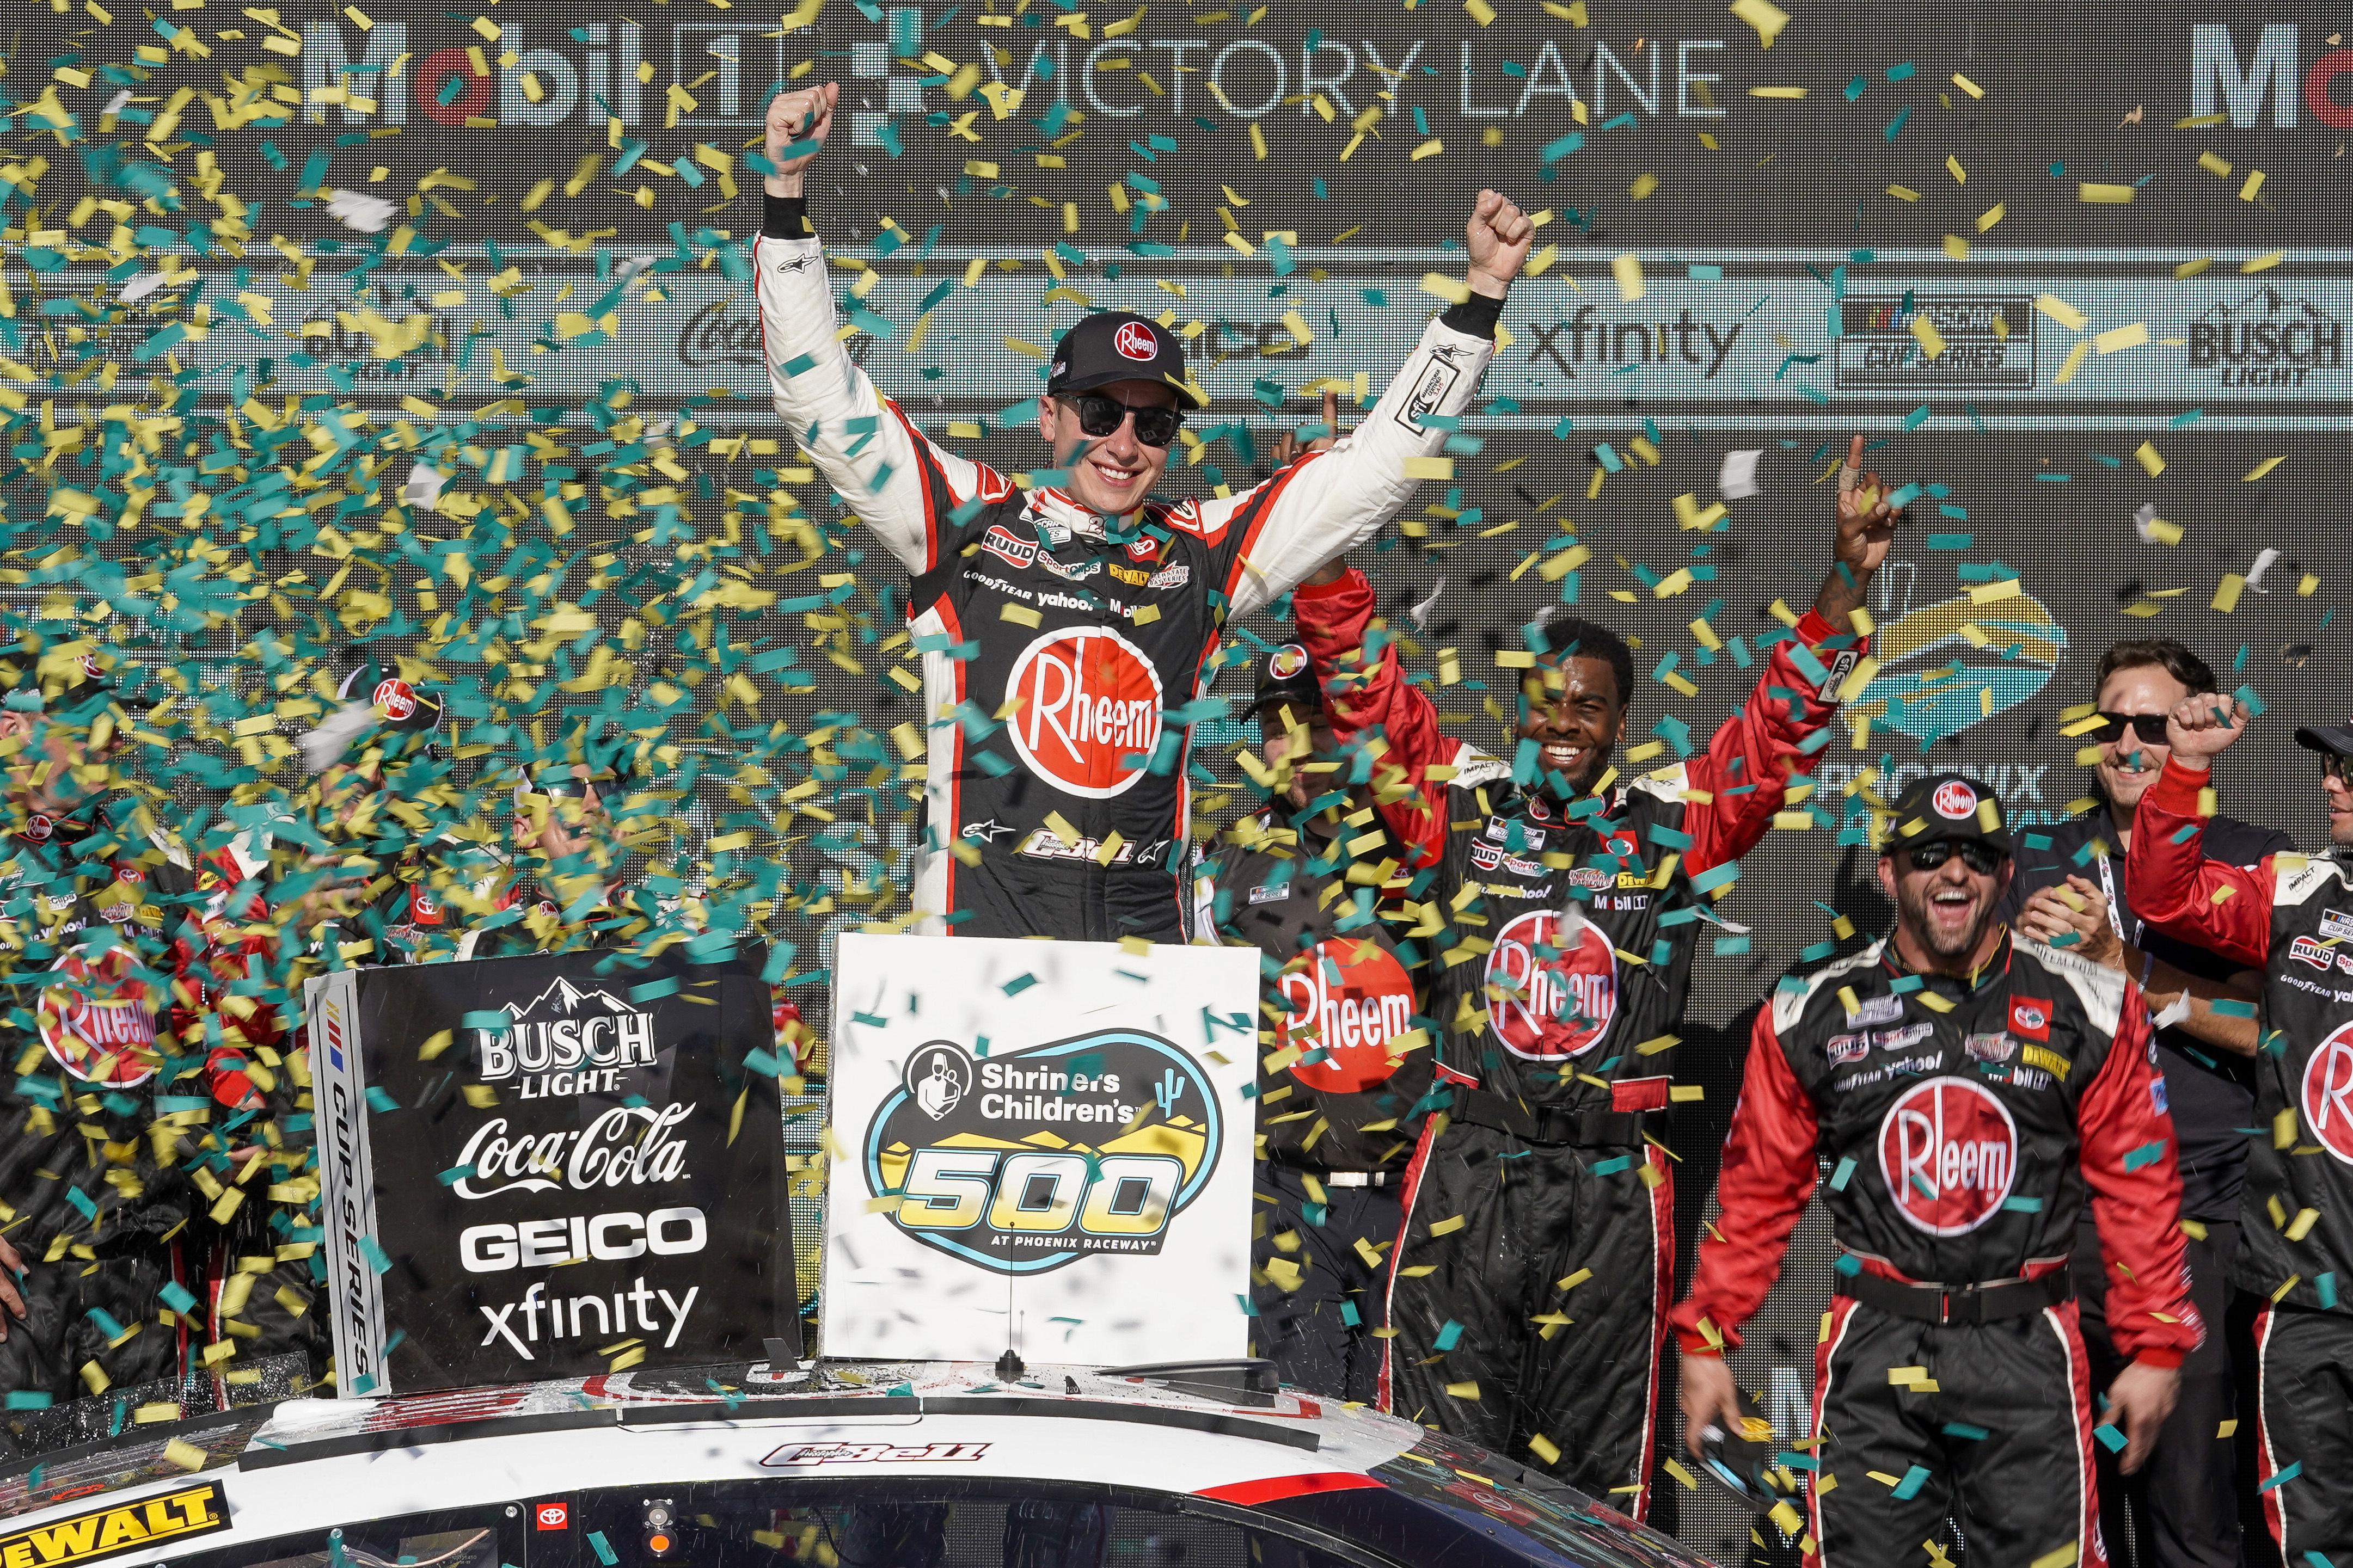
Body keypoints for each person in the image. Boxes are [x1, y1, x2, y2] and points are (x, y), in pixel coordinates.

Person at [752, 79, 1534, 943]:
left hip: (1147, 970)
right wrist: (785, 200)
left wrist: (1476, 305)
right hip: (977, 956)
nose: (1124, 443)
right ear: (1048, 418)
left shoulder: (1198, 552)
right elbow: (821, 402)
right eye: (1100, 413)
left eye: (1153, 421)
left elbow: (1377, 472)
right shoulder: (967, 520)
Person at [1291, 436, 1902, 1513]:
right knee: (1436, 1469)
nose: (1561, 725)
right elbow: (1365, 692)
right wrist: (1326, 540)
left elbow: (1773, 736)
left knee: (1594, 1483)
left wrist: (1848, 577)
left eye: (1586, 708)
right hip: (1468, 1175)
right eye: (1546, 703)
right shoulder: (1460, 806)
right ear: (1518, 707)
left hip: (1614, 1188)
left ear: (1619, 723)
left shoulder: (1664, 825)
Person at [1674, 772, 2199, 1568]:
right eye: (1928, 854)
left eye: (1975, 855)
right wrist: (1705, 1335)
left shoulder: (2090, 1001)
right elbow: (1757, 1190)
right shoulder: (1810, 1009)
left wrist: (2156, 1344)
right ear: (1888, 871)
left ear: (2005, 872)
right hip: (1876, 1344)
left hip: (2027, 1340)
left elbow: (2138, 1180)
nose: (1952, 872)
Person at [2001, 637, 2282, 1568]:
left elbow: (2276, 1031)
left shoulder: (2251, 862)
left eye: (2152, 724)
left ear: (2194, 729)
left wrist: (2128, 974)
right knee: (2059, 1514)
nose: (2126, 742)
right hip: (2054, 1216)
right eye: (2108, 721)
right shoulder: (2033, 855)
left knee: (2190, 1507)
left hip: (2194, 1214)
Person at [0, 650, 262, 1412]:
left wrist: (233, 1124)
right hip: (21, 1278)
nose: (114, 738)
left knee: (151, 1507)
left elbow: (198, 1036)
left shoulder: (155, 872)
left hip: (142, 1266)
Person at [2125, 696, 2353, 1565]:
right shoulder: (2297, 887)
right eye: (2329, 766)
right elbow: (2164, 893)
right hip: (2306, 1300)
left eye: (2349, 771)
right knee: (2312, 1543)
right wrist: (2183, 767)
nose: (2330, 783)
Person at [1196, 606, 1429, 1403]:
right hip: (1286, 1196)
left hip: (1414, 1195)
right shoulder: (1221, 864)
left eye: (1316, 723)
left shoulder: (1422, 842)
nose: (1294, 745)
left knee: (1414, 1441)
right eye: (1275, 727)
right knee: (1301, 1424)